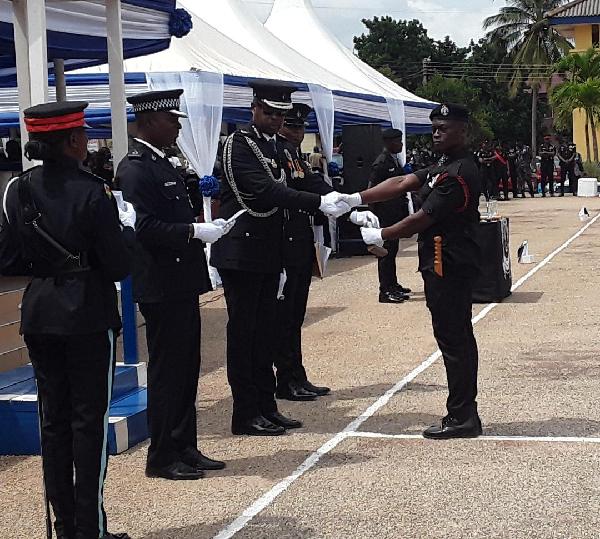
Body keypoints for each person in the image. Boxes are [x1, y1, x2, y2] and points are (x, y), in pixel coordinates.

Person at [0, 101, 132, 539]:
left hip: (40, 312)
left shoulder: (17, 190)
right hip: (87, 315)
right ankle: (90, 529)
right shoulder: (94, 191)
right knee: (88, 426)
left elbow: (9, 256)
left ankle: (64, 527)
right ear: (74, 140)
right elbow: (116, 266)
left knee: (53, 424)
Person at [210, 79, 351, 436]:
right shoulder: (238, 146)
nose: (275, 119)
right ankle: (245, 412)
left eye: (280, 114)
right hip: (242, 252)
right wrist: (320, 204)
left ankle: (266, 406)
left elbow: (302, 181)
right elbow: (267, 190)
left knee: (264, 332)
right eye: (269, 112)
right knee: (244, 335)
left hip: (268, 251)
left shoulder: (277, 147)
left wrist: (348, 201)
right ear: (254, 108)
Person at [340, 103, 483, 439]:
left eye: (443, 128)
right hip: (439, 261)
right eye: (434, 127)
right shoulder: (443, 165)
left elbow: (421, 219)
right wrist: (354, 198)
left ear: (463, 130)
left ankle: (462, 416)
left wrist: (381, 235)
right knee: (453, 336)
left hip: (449, 263)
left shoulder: (459, 172)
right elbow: (403, 181)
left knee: (454, 339)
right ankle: (462, 413)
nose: (436, 133)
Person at [117, 89, 231, 481]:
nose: (177, 126)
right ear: (149, 122)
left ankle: (185, 445)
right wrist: (193, 231)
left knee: (187, 368)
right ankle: (163, 454)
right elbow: (142, 227)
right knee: (168, 371)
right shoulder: (134, 169)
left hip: (180, 282)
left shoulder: (160, 163)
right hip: (161, 284)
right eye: (172, 120)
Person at [274, 103, 334, 401]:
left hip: (299, 242)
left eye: (301, 128)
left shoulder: (294, 155)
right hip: (283, 244)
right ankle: (286, 378)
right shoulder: (276, 152)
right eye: (292, 126)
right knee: (284, 317)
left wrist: (342, 201)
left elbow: (313, 183)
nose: (297, 133)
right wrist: (325, 200)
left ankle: (296, 374)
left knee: (295, 315)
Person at [368, 127, 411, 304]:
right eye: (398, 141)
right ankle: (384, 291)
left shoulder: (393, 160)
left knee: (392, 251)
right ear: (388, 142)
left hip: (394, 214)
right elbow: (372, 191)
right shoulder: (382, 163)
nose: (401, 144)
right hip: (385, 216)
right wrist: (375, 218)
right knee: (385, 253)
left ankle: (392, 284)